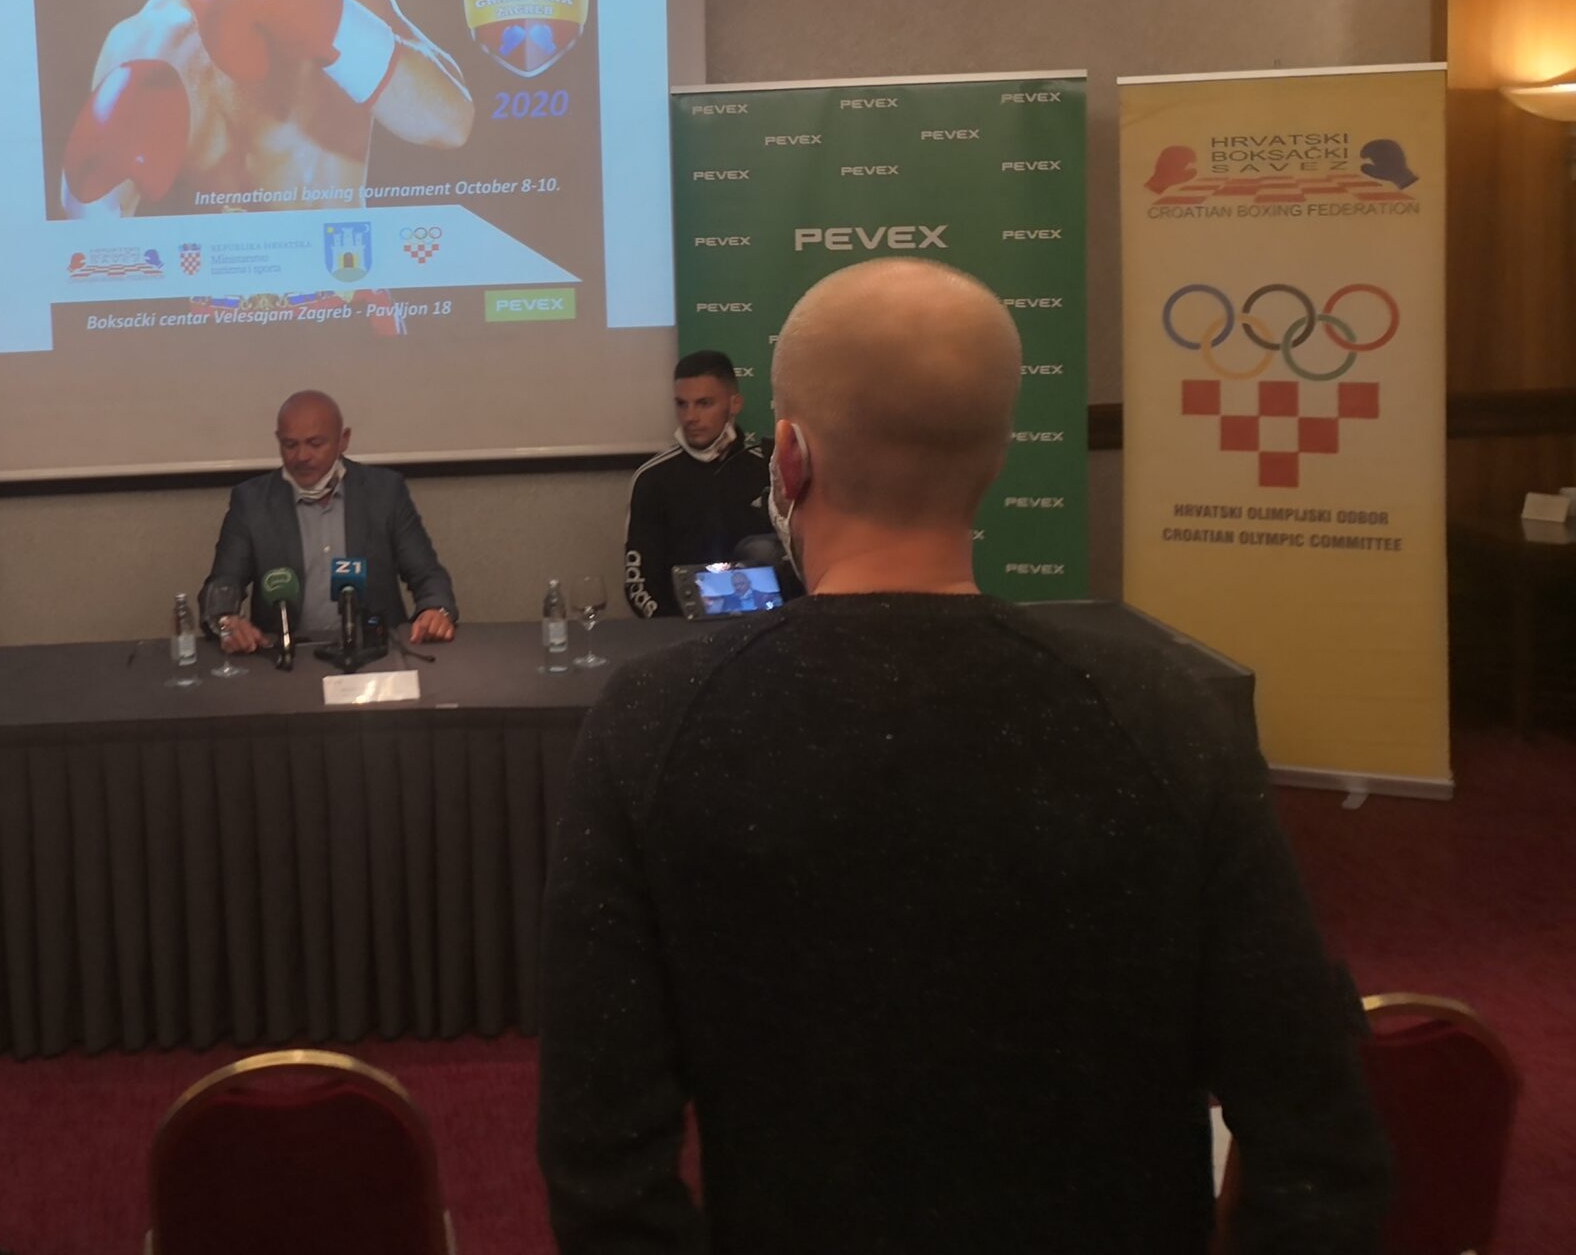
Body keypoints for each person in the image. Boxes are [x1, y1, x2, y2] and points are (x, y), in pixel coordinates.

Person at [539, 259, 1389, 1255]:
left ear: (788, 460)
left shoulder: (650, 727)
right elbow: (1318, 1143)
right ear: (995, 458)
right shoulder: (1168, 719)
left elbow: (601, 1162)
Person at [60, 0, 475, 217]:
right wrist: (85, 204)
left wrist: (331, 19)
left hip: (341, 297)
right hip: (214, 316)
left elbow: (451, 123)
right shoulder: (136, 44)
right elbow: (91, 258)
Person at [200, 389, 459, 650]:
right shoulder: (251, 501)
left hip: (375, 649)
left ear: (343, 440)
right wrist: (226, 621)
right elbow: (224, 582)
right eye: (290, 445)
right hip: (286, 654)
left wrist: (436, 610)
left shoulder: (385, 492)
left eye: (315, 444)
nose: (302, 456)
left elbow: (427, 574)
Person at [622, 348, 778, 619]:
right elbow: (639, 583)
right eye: (682, 404)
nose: (690, 417)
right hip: (679, 631)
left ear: (734, 404)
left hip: (762, 629)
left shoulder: (769, 470)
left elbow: (796, 565)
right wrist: (673, 630)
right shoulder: (652, 479)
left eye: (704, 403)